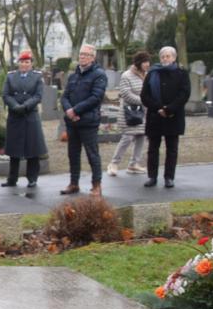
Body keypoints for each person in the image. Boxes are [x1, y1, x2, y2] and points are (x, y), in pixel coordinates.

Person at [59, 44, 107, 196]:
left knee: (92, 154)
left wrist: (76, 110)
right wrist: (68, 110)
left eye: (86, 55)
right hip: (72, 122)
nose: (82, 57)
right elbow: (65, 96)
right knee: (73, 154)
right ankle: (74, 183)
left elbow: (96, 97)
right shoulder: (74, 76)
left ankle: (96, 185)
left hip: (88, 121)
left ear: (93, 58)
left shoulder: (99, 75)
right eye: (81, 54)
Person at [141, 46, 191, 188]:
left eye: (168, 56)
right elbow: (144, 95)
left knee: (172, 149)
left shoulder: (181, 73)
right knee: (153, 149)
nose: (165, 59)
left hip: (173, 116)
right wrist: (158, 108)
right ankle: (152, 177)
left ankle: (169, 177)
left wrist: (169, 109)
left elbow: (184, 94)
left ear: (174, 58)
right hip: (155, 116)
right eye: (163, 56)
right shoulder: (152, 73)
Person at [0, 50, 47, 188]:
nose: (24, 64)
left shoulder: (37, 77)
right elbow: (6, 94)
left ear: (31, 63)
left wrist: (25, 106)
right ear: (18, 63)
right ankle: (12, 179)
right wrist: (15, 106)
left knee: (32, 149)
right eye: (22, 62)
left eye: (27, 62)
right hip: (15, 116)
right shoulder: (11, 77)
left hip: (30, 115)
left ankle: (32, 178)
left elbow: (38, 96)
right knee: (14, 151)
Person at [108, 50, 151, 176]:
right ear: (138, 63)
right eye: (144, 62)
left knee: (141, 137)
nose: (147, 64)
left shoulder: (147, 75)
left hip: (143, 112)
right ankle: (114, 163)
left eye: (148, 61)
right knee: (127, 137)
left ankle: (134, 164)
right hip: (130, 112)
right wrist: (144, 101)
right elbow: (126, 94)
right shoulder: (127, 75)